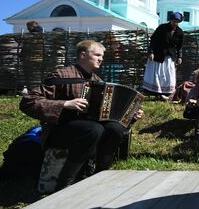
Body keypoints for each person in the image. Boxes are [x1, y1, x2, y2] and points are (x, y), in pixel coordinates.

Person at [19, 40, 144, 191]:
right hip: (58, 131)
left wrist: (131, 115)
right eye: (97, 55)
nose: (101, 59)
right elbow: (28, 102)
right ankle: (65, 182)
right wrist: (64, 104)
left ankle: (101, 175)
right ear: (83, 55)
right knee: (94, 129)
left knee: (115, 129)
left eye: (102, 56)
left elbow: (109, 115)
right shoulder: (61, 75)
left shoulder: (98, 81)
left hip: (89, 130)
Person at [142, 12, 184, 98]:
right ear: (170, 20)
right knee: (157, 74)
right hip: (158, 54)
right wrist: (151, 52)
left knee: (168, 74)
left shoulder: (180, 32)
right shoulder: (162, 28)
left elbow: (180, 46)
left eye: (177, 21)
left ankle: (166, 93)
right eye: (173, 21)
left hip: (170, 56)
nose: (175, 23)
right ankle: (155, 93)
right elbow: (153, 40)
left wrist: (179, 56)